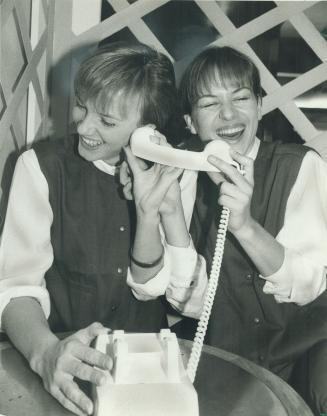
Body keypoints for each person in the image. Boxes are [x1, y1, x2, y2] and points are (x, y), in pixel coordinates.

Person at [124, 46, 327, 414]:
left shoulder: (300, 167)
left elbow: (308, 284)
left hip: (309, 357)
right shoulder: (182, 175)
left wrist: (246, 226)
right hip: (230, 360)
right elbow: (190, 303)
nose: (228, 114)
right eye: (209, 104)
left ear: (260, 107)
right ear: (190, 122)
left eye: (241, 98)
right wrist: (170, 216)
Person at [0, 41, 183, 416]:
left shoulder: (177, 176)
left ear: (148, 128)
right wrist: (45, 353)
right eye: (82, 105)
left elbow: (175, 289)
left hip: (143, 375)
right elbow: (16, 287)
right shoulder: (39, 167)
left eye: (107, 121)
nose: (83, 125)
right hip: (55, 367)